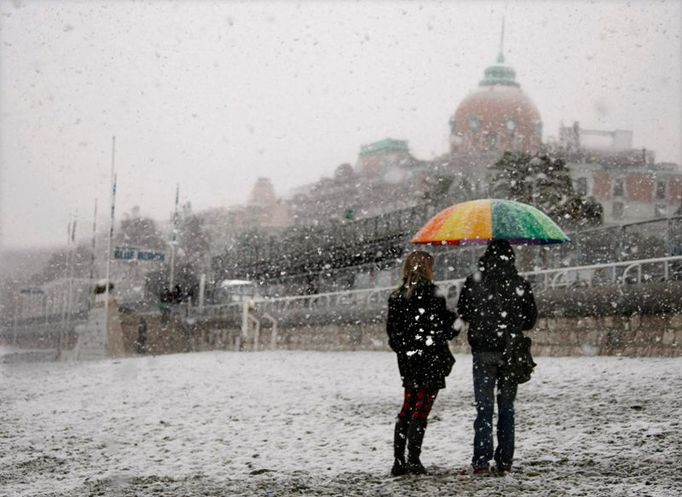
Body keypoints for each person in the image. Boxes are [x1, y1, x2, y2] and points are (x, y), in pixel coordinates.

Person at [456, 240, 537, 475]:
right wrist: (511, 323)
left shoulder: (474, 282)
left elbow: (464, 312)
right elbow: (530, 320)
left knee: (483, 408)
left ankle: (481, 461)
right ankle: (505, 460)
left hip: (483, 351)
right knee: (507, 408)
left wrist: (484, 320)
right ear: (511, 258)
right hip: (510, 352)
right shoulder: (520, 283)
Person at [387, 251, 458, 476]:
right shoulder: (433, 294)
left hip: (409, 361)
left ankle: (398, 461)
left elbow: (393, 335)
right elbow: (446, 330)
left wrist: (407, 349)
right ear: (428, 269)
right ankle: (414, 459)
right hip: (431, 359)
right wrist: (453, 320)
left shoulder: (397, 296)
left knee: (407, 406)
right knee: (422, 408)